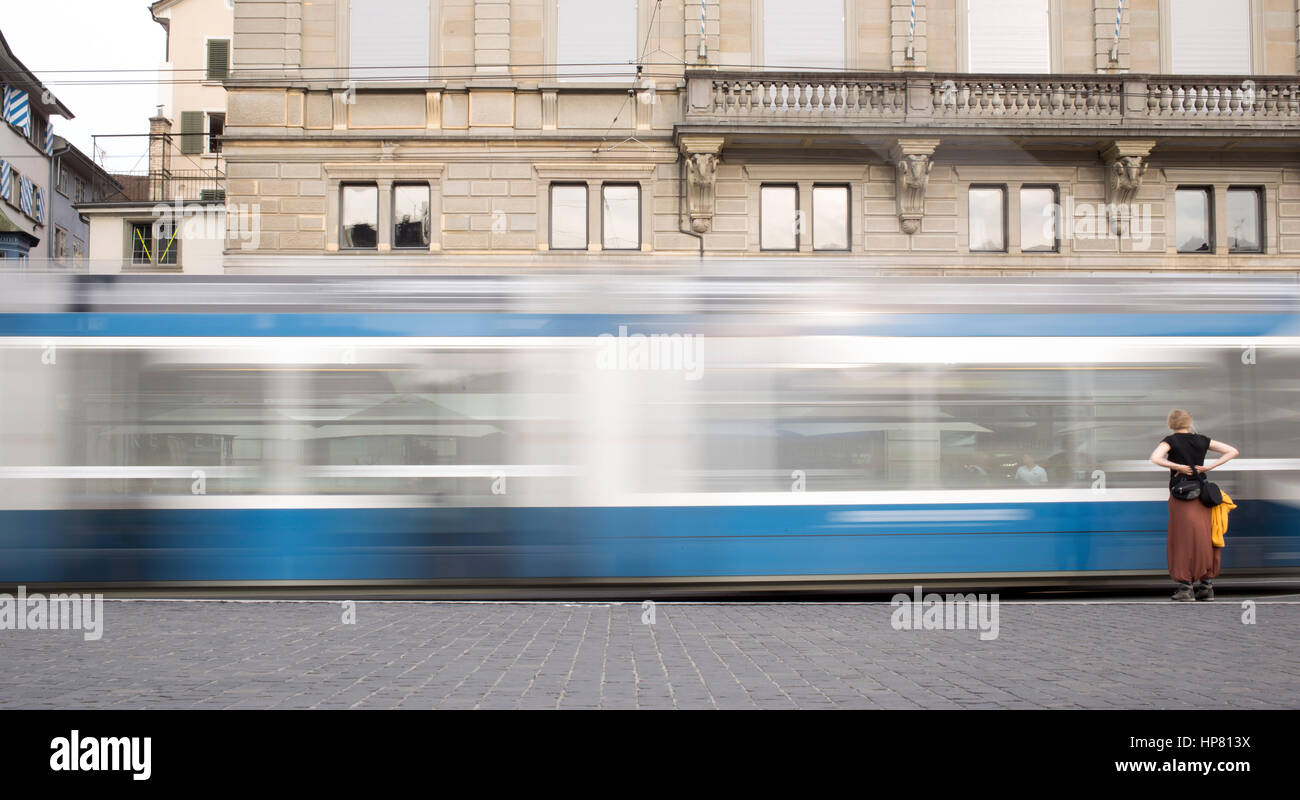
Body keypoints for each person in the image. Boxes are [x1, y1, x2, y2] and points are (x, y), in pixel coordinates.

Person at [1148, 409, 1239, 601]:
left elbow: (1155, 458)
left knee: (1182, 540)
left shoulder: (1170, 441)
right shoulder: (1202, 440)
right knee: (1206, 538)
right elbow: (1232, 451)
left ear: (1171, 424)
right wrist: (1208, 467)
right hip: (1204, 497)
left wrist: (1177, 466)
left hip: (1182, 498)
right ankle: (1207, 587)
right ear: (1189, 423)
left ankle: (1185, 588)